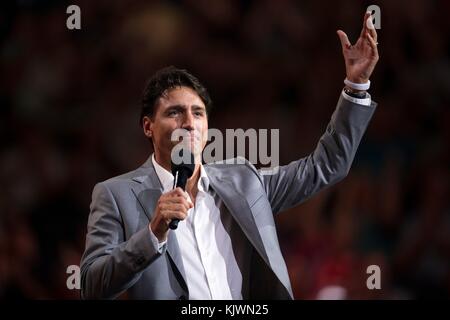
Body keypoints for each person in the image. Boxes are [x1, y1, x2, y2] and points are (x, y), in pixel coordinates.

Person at [80, 12, 379, 299]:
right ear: (148, 126)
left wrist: (356, 86)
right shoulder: (115, 195)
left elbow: (325, 166)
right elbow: (93, 286)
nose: (188, 122)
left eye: (197, 113)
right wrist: (153, 232)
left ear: (207, 126)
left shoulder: (244, 180)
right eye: (174, 112)